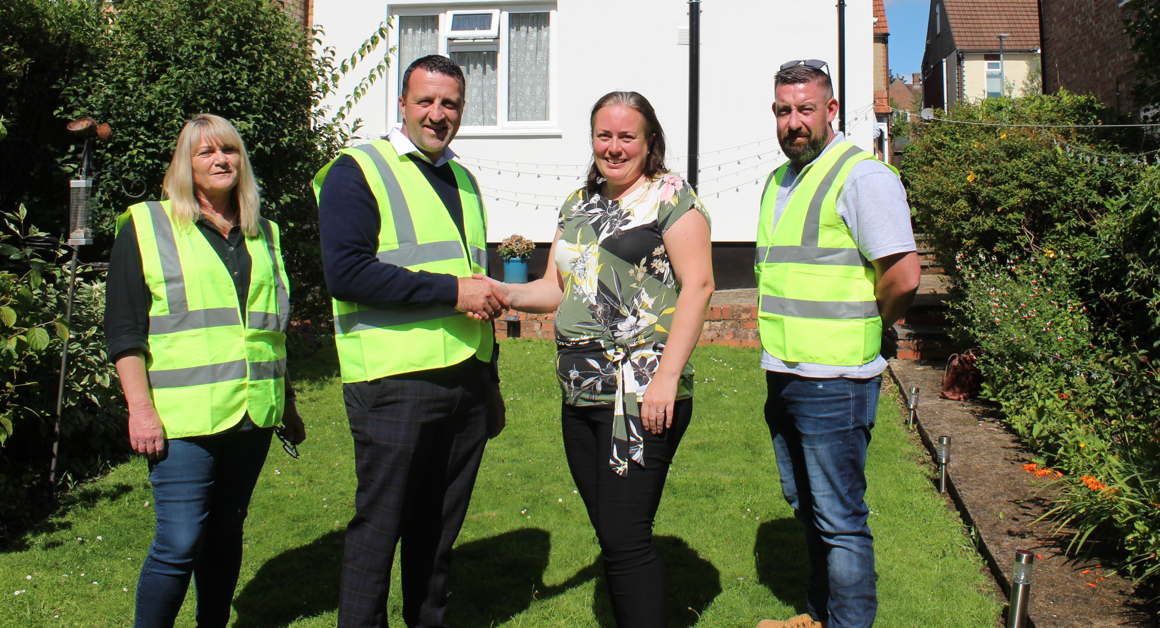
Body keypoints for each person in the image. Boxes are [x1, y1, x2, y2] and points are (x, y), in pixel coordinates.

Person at [495, 91, 714, 628]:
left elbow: (699, 286)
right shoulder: (577, 204)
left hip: (640, 396)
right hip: (579, 394)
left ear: (649, 141)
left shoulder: (671, 197)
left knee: (624, 537)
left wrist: (664, 379)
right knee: (615, 536)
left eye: (626, 137)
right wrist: (497, 291)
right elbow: (553, 288)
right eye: (604, 135)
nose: (613, 148)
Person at [313, 53, 505, 628]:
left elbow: (478, 284)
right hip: (394, 382)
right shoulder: (357, 169)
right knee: (380, 529)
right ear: (401, 103)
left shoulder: (463, 179)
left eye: (450, 103)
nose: (437, 113)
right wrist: (451, 292)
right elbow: (346, 272)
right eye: (425, 100)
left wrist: (489, 384)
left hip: (464, 380)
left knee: (438, 531)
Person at [105, 113, 305, 628]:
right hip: (182, 419)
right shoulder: (147, 226)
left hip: (252, 415)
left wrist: (290, 403)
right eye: (206, 152)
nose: (220, 160)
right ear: (185, 164)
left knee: (225, 533)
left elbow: (269, 330)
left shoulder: (267, 234)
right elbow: (125, 331)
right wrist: (140, 410)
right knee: (179, 542)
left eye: (230, 151)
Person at [754, 61, 920, 628]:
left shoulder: (862, 177)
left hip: (836, 379)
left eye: (805, 109)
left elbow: (902, 274)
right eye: (783, 110)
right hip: (785, 368)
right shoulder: (782, 181)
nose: (793, 121)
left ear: (831, 111)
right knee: (807, 506)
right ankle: (818, 615)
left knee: (839, 520)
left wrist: (877, 324)